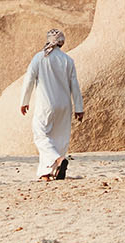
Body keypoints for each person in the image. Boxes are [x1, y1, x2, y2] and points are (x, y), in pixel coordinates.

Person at [19, 27, 83, 181]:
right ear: (62, 42)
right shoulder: (68, 60)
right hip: (65, 105)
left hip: (46, 104)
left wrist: (24, 101)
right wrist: (79, 108)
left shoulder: (39, 57)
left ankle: (58, 160)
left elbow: (29, 80)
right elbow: (75, 85)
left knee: (41, 135)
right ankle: (46, 174)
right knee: (59, 138)